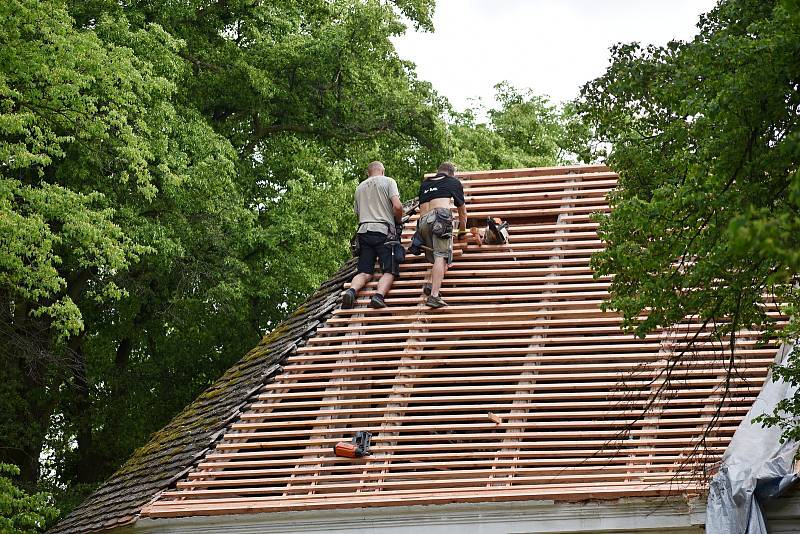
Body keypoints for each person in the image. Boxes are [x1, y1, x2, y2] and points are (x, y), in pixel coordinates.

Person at [342, 161, 404, 309]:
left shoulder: (359, 188)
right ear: (383, 171)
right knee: (390, 270)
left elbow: (357, 213)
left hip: (363, 232)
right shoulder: (389, 181)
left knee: (364, 272)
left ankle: (351, 291)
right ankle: (378, 296)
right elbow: (398, 206)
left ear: (368, 173)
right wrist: (398, 220)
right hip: (383, 231)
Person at [416, 162, 467, 308]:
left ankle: (432, 285)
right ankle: (434, 296)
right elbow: (463, 213)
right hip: (439, 219)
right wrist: (461, 231)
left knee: (441, 259)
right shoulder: (453, 182)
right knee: (441, 256)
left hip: (423, 224)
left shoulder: (425, 184)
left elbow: (423, 209)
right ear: (452, 173)